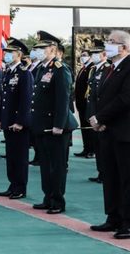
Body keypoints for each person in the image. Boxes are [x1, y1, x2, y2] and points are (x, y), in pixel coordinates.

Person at [89, 30, 130, 239]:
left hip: (126, 132)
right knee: (111, 177)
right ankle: (113, 217)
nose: (107, 45)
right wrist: (97, 119)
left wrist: (101, 118)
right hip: (108, 131)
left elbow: (125, 99)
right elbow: (101, 97)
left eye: (111, 42)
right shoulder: (111, 68)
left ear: (124, 47)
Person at [30, 30, 78, 215]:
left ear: (52, 49)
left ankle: (57, 200)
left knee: (56, 166)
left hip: (56, 126)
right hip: (42, 125)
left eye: (42, 48)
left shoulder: (60, 69)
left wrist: (58, 124)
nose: (38, 51)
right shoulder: (42, 68)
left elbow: (63, 99)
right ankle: (48, 197)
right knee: (45, 164)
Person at [0, 38, 33, 199]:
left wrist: (20, 121)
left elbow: (26, 100)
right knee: (10, 156)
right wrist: (0, 118)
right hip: (8, 121)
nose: (7, 55)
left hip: (18, 123)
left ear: (18, 54)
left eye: (10, 53)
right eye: (6, 53)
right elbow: (3, 99)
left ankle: (20, 187)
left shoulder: (24, 73)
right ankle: (12, 184)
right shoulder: (8, 72)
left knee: (20, 157)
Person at [85, 40, 109, 184]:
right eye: (92, 53)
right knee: (98, 146)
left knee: (103, 147)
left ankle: (105, 173)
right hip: (93, 113)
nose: (93, 55)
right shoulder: (94, 69)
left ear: (104, 54)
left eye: (96, 53)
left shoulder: (107, 68)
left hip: (100, 115)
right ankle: (101, 171)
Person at [74, 48, 95, 158]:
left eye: (85, 55)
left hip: (86, 103)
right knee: (84, 127)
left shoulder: (91, 68)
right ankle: (86, 148)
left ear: (90, 56)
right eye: (81, 55)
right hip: (80, 103)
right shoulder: (83, 68)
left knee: (89, 128)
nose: (82, 57)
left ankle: (92, 150)